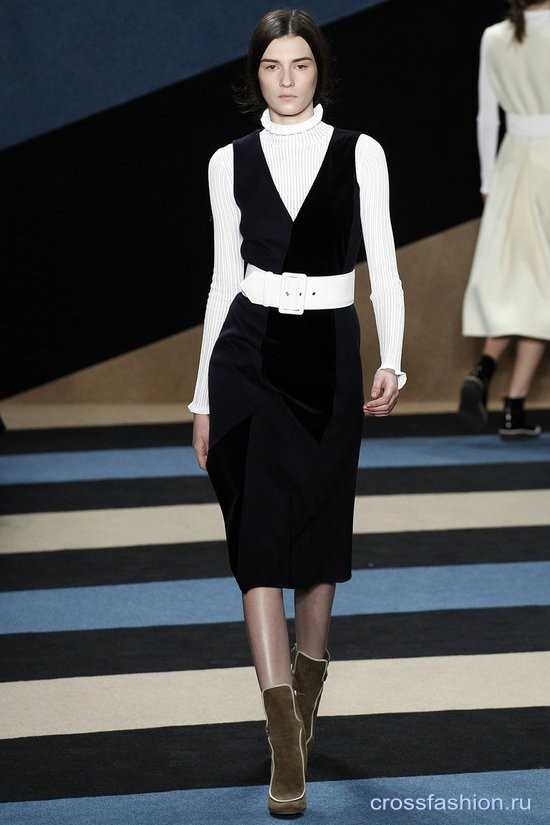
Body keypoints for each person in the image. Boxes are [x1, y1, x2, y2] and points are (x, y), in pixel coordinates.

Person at [187, 9, 406, 815]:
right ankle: (284, 735)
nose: (286, 79)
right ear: (256, 76)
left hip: (328, 353)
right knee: (256, 536)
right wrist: (202, 396)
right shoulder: (228, 161)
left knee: (318, 533)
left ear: (320, 71)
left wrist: (394, 356)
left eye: (300, 64)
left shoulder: (360, 152)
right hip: (247, 352)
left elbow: (383, 263)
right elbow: (222, 277)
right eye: (272, 66)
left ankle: (306, 700)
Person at [459, 0, 550, 438]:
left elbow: (485, 116)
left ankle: (488, 370)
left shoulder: (494, 36)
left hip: (512, 164)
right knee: (541, 287)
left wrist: (488, 180)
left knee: (520, 281)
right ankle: (513, 403)